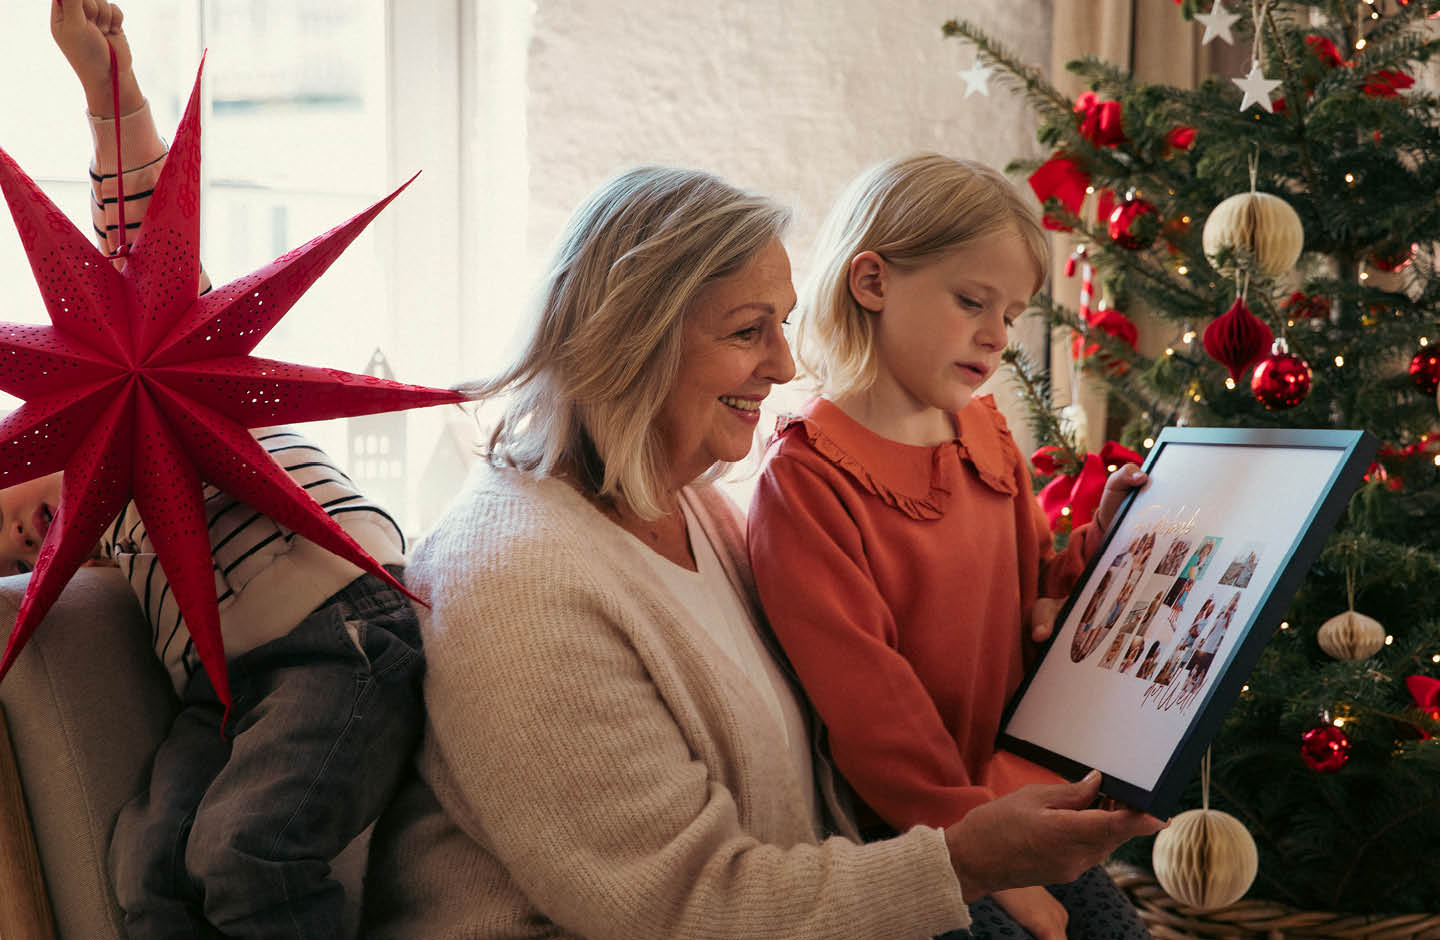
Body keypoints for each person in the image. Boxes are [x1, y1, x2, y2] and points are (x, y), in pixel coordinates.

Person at [361, 163, 1163, 938]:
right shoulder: (518, 583)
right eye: (749, 331)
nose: (783, 368)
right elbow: (682, 906)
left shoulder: (697, 506)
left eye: (780, 326)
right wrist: (963, 861)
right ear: (628, 335)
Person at [6, 4, 426, 936]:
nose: (14, 541)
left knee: (243, 851)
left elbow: (142, 230)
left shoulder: (162, 361)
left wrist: (104, 84)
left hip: (344, 627)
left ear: (31, 428)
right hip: (222, 691)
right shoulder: (107, 534)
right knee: (146, 871)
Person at [747, 153, 1152, 940]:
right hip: (910, 842)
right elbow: (875, 720)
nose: (996, 336)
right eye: (972, 301)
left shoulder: (984, 429)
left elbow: (1039, 597)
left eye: (1011, 314)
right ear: (872, 283)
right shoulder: (806, 479)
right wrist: (987, 857)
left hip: (1015, 799)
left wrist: (1106, 540)